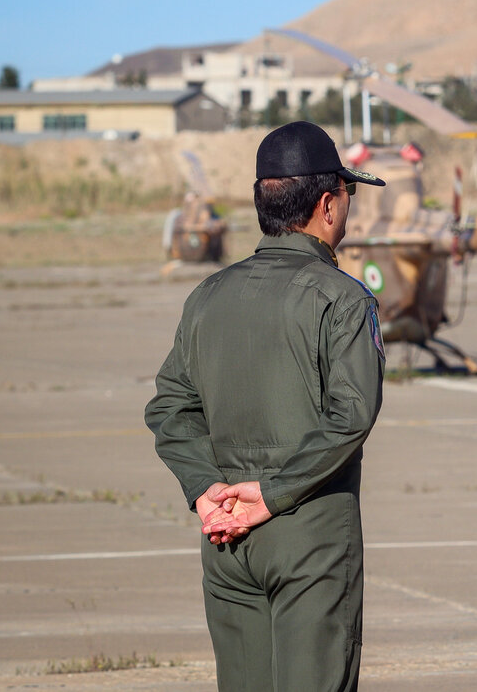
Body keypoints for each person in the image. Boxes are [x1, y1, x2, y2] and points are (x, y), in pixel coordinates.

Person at [145, 120, 387, 692]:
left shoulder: (208, 295)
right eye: (347, 195)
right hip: (307, 533)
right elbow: (351, 415)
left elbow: (170, 405)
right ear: (327, 205)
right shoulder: (342, 299)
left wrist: (206, 487)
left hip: (225, 534)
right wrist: (272, 495)